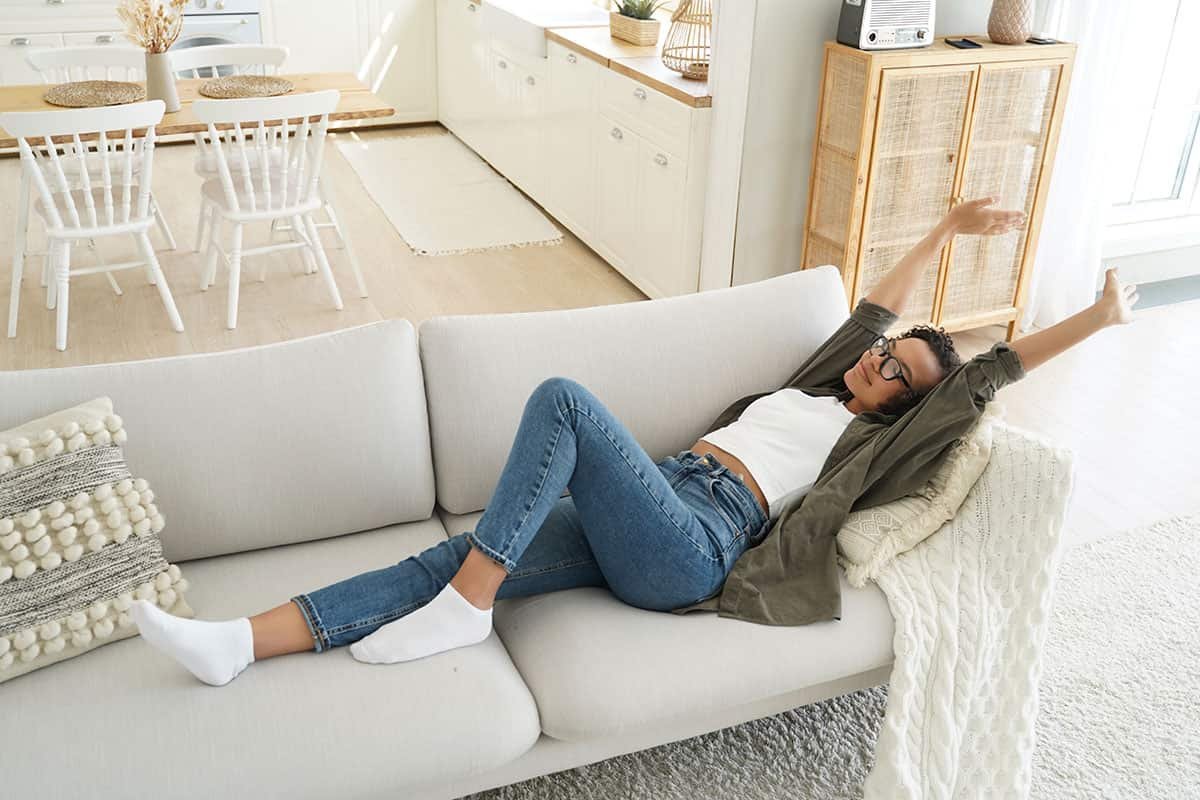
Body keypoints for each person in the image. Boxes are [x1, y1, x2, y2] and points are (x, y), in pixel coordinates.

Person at [130, 197, 1141, 686]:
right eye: (882, 359)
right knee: (453, 553)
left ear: (903, 410)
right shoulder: (816, 379)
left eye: (899, 379)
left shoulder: (864, 446)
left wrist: (1094, 317)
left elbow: (979, 381)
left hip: (698, 541)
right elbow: (877, 308)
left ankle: (468, 606)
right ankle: (238, 642)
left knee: (566, 403)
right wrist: (950, 227)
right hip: (657, 500)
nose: (878, 367)